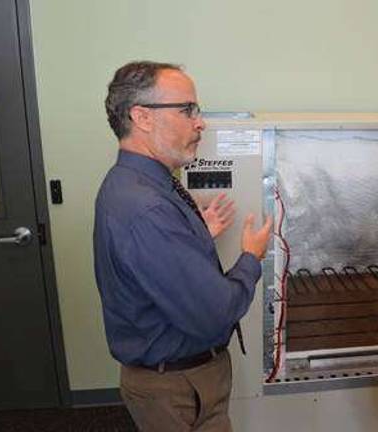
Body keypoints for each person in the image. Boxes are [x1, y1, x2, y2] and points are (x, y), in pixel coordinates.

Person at [94, 61, 272, 432]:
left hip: (181, 377)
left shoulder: (137, 183)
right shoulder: (146, 207)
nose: (200, 122)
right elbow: (216, 311)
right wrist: (251, 258)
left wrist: (194, 234)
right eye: (187, 109)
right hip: (175, 387)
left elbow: (156, 264)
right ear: (141, 117)